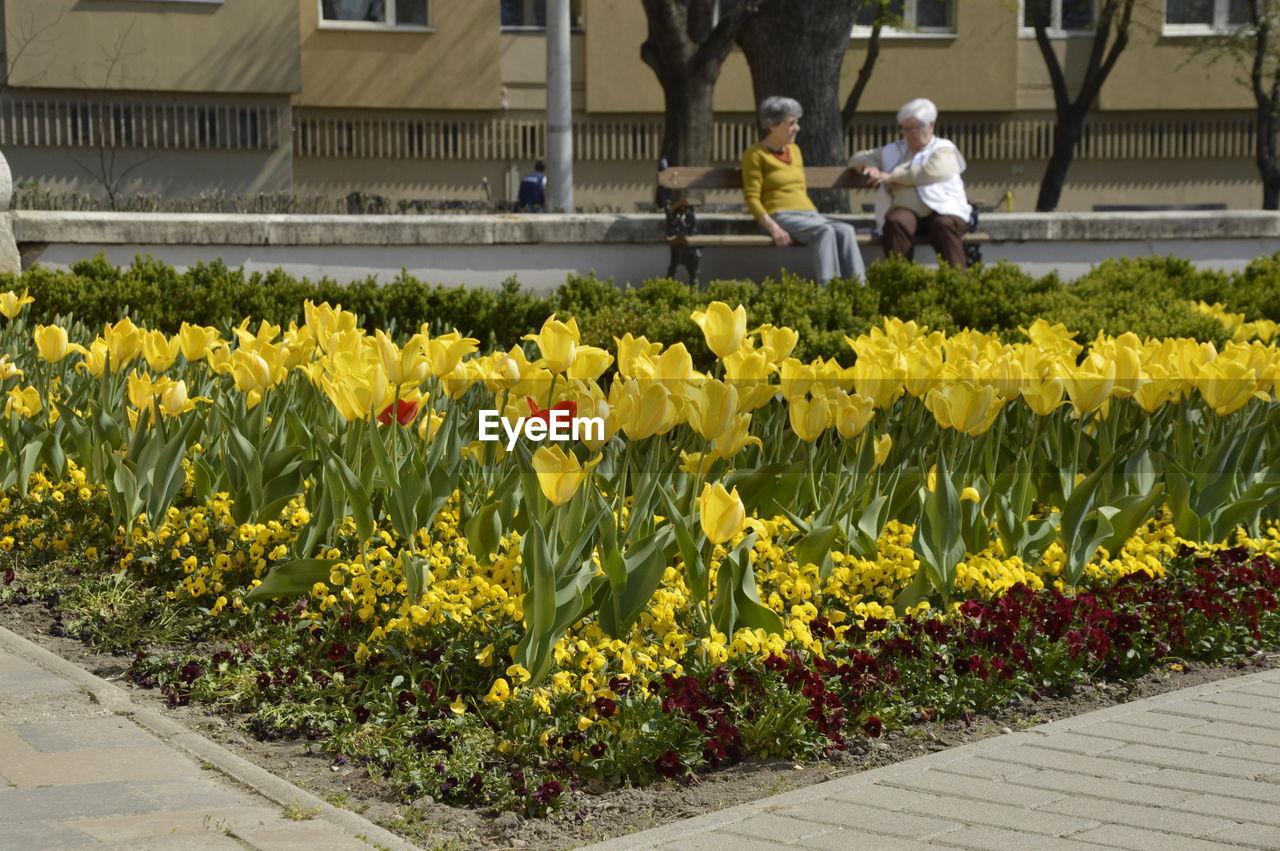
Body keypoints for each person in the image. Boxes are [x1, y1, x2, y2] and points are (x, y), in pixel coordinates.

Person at [741, 97, 865, 285]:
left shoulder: (795, 150)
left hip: (809, 213)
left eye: (797, 122)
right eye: (791, 123)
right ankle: (829, 291)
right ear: (772, 125)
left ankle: (858, 288)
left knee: (846, 230)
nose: (797, 128)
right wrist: (773, 228)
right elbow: (751, 197)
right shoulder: (755, 154)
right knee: (825, 232)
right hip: (780, 215)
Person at [852, 98, 972, 269]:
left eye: (917, 128)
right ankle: (901, 283)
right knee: (895, 222)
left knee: (943, 225)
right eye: (906, 129)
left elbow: (931, 172)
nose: (911, 133)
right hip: (908, 210)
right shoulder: (894, 150)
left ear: (931, 125)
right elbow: (857, 158)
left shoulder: (944, 148)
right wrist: (869, 165)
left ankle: (958, 282)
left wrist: (890, 177)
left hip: (944, 209)